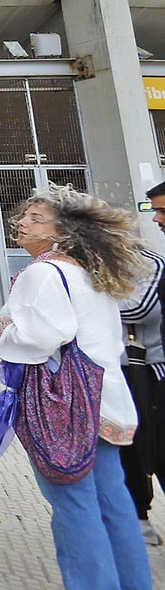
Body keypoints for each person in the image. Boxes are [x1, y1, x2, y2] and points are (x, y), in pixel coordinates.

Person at [0, 186, 158, 590]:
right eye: (25, 214)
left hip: (67, 407)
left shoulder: (43, 273)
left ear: (63, 232)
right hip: (107, 401)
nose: (23, 222)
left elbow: (41, 338)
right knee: (114, 509)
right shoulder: (89, 271)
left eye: (36, 218)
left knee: (74, 506)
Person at [119, 218, 165, 544]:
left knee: (157, 446)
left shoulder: (151, 263)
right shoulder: (91, 265)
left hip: (149, 369)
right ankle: (138, 514)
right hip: (115, 368)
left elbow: (140, 308)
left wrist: (90, 301)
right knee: (128, 446)